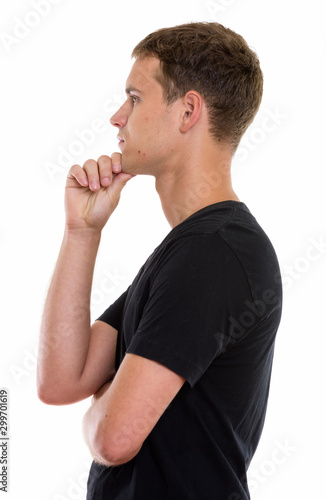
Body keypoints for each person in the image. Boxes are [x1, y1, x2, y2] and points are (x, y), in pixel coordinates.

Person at [37, 22, 282, 500]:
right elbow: (61, 380)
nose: (116, 117)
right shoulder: (188, 251)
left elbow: (112, 438)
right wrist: (82, 232)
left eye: (134, 97)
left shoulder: (217, 253)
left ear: (188, 110)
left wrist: (102, 404)